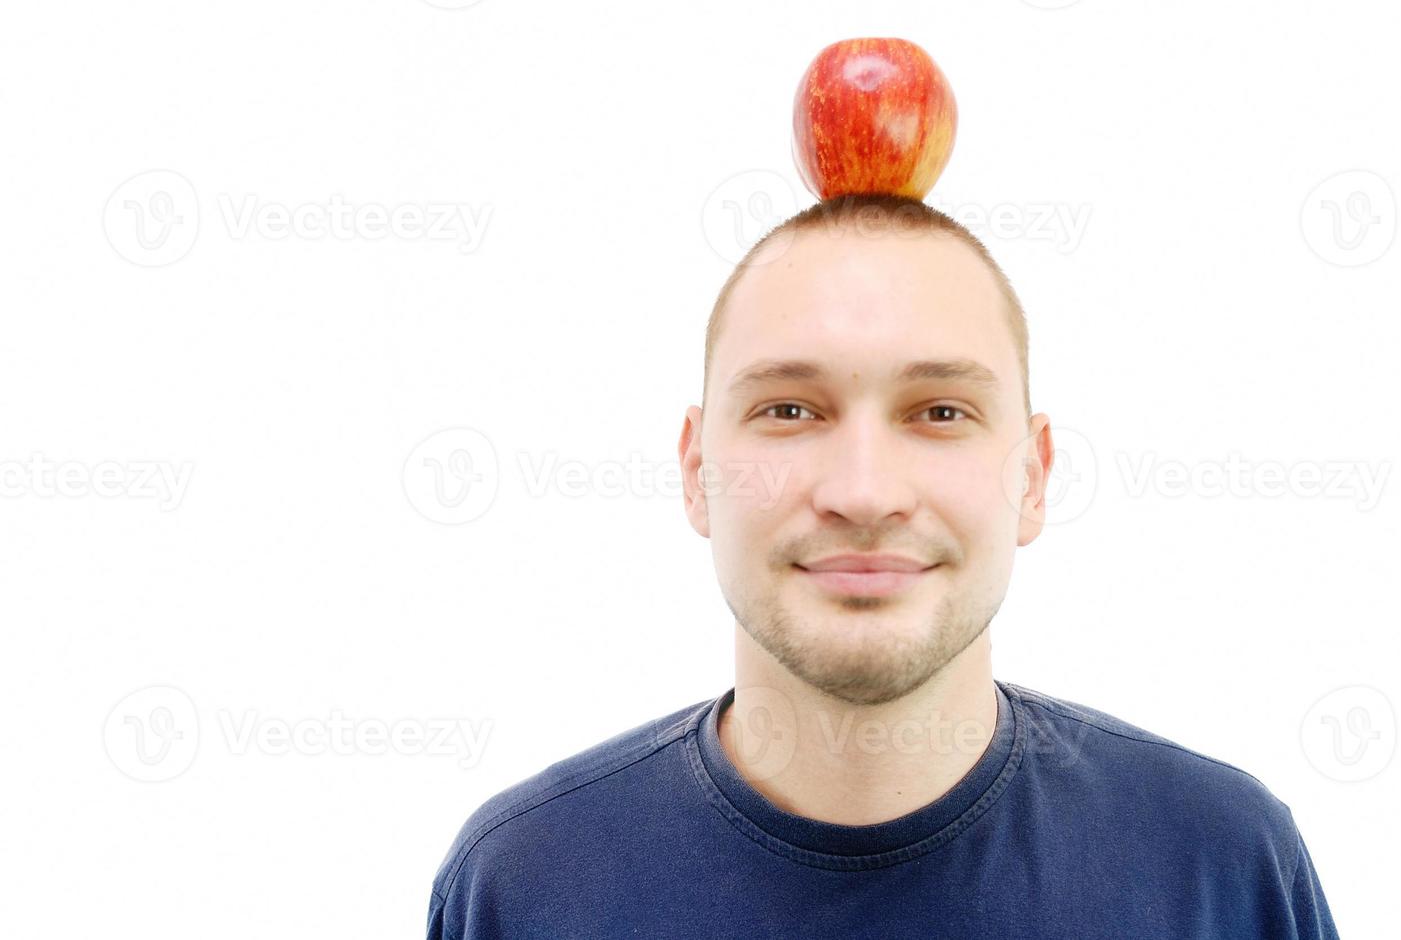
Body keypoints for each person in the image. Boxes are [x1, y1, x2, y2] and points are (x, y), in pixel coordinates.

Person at [425, 193, 1341, 939]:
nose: (864, 493)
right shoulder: (525, 885)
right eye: (789, 410)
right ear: (698, 473)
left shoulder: (1220, 863)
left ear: (1033, 476)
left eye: (940, 412)